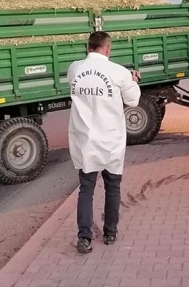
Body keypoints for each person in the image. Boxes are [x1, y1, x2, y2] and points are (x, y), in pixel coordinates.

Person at [66, 31, 141, 254]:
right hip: (110, 140)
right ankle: (110, 233)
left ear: (87, 46)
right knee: (112, 187)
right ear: (108, 49)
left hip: (85, 140)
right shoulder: (119, 72)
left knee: (86, 189)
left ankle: (84, 237)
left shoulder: (74, 69)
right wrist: (132, 80)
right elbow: (133, 100)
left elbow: (83, 81)